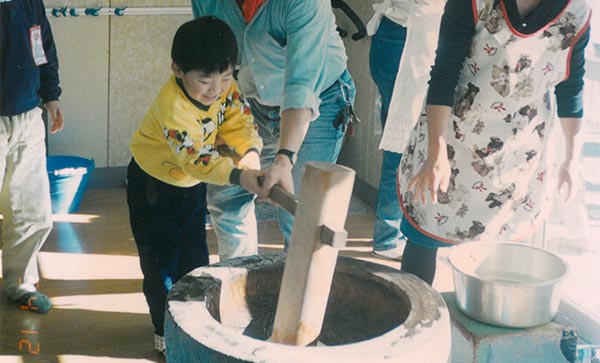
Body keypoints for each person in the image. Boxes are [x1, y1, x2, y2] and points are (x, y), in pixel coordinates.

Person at [397, 0, 591, 284]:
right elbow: (443, 75)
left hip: (518, 152)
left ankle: (482, 314)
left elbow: (571, 89)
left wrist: (571, 160)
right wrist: (436, 153)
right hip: (453, 138)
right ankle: (412, 319)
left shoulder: (576, 14)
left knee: (500, 254)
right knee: (426, 229)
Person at [126, 16, 263, 353]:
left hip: (190, 185)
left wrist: (251, 154)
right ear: (177, 69)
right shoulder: (173, 107)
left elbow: (238, 120)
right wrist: (239, 175)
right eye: (204, 80)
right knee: (161, 266)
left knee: (195, 258)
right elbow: (196, 160)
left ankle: (190, 325)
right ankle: (165, 333)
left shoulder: (225, 87)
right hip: (153, 188)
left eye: (226, 76)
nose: (216, 88)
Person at [191, 0, 356, 259]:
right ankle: (241, 283)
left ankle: (297, 297)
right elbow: (210, 56)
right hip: (250, 98)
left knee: (299, 216)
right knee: (226, 197)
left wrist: (284, 158)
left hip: (319, 97)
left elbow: (301, 85)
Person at [366, 0, 445, 261]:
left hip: (397, 36)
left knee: (403, 143)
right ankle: (389, 238)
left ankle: (390, 234)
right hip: (406, 39)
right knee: (403, 146)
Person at [0, 0, 64, 313]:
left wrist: (51, 96)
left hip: (27, 116)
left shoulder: (28, 2)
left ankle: (21, 281)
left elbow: (42, 46)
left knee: (31, 209)